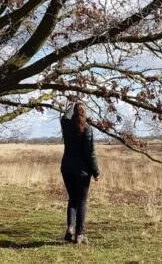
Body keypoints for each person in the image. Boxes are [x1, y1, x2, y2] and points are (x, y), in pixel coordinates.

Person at [60, 102, 100, 244]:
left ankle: (71, 228)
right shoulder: (87, 129)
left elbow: (65, 115)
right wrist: (96, 172)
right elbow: (90, 154)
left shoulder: (66, 126)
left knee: (72, 199)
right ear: (85, 113)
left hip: (67, 169)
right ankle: (79, 234)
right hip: (82, 172)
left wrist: (72, 105)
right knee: (81, 201)